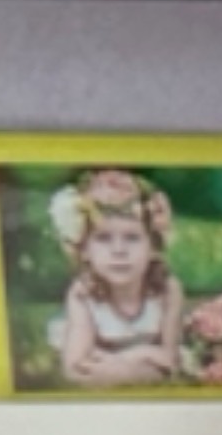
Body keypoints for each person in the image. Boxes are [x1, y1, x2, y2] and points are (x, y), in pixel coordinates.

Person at [50, 165, 185, 385]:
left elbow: (171, 363)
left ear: (154, 246)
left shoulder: (168, 289)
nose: (119, 251)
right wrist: (149, 357)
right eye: (103, 238)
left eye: (132, 238)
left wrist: (125, 364)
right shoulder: (83, 293)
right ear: (84, 250)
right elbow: (74, 369)